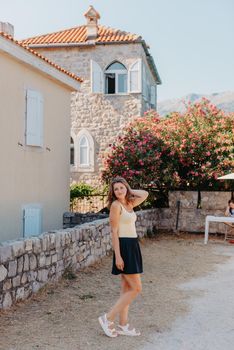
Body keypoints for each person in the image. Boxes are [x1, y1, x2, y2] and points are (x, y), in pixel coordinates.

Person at [98, 177, 149, 338]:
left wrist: (129, 190)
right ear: (112, 192)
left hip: (133, 245)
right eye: (116, 189)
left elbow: (145, 193)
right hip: (124, 247)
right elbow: (114, 232)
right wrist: (118, 256)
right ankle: (108, 318)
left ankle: (123, 325)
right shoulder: (115, 205)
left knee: (127, 289)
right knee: (136, 288)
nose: (119, 191)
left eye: (121, 187)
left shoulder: (129, 204)